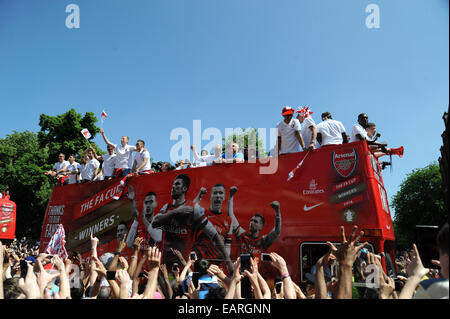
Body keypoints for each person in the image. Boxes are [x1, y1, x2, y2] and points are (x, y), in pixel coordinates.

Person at [228, 187, 282, 256]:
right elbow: (231, 216)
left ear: (261, 226)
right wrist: (231, 197)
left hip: (256, 267)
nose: (252, 223)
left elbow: (277, 231)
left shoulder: (263, 241)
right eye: (251, 220)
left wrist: (277, 211)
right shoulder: (242, 235)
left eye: (255, 221)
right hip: (240, 266)